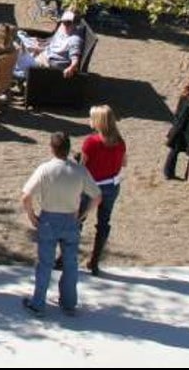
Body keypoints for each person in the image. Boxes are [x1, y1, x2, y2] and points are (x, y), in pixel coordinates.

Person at [21, 131, 101, 317]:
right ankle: (69, 302)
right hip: (70, 220)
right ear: (68, 149)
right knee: (71, 263)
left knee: (45, 263)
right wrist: (83, 214)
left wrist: (32, 216)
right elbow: (97, 196)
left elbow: (26, 196)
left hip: (49, 219)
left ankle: (38, 302)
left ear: (52, 148)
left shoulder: (45, 169)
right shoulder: (79, 171)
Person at [78, 105, 127, 275]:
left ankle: (66, 257)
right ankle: (95, 260)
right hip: (111, 185)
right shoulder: (120, 142)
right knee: (104, 222)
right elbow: (124, 163)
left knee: (78, 220)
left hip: (91, 186)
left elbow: (82, 167)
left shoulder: (91, 142)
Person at [162, 79, 189, 180]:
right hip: (183, 130)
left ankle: (170, 173)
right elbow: (186, 119)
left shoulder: (184, 97)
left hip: (178, 128)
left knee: (174, 152)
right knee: (185, 152)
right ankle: (187, 175)